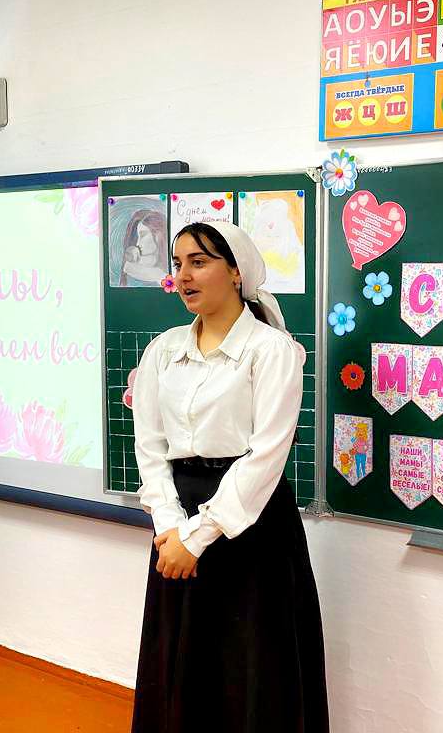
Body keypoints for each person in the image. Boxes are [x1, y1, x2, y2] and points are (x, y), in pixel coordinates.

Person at [130, 221, 328, 732]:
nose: (183, 276)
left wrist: (198, 537)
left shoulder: (272, 350)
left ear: (236, 272)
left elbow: (266, 456)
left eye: (199, 262)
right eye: (178, 264)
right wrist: (170, 527)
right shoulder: (163, 350)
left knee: (251, 667)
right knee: (184, 663)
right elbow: (150, 446)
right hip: (177, 525)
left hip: (251, 524)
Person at [120, 208, 168, 286]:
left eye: (143, 235)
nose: (138, 243)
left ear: (158, 234)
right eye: (138, 237)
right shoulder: (133, 266)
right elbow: (127, 267)